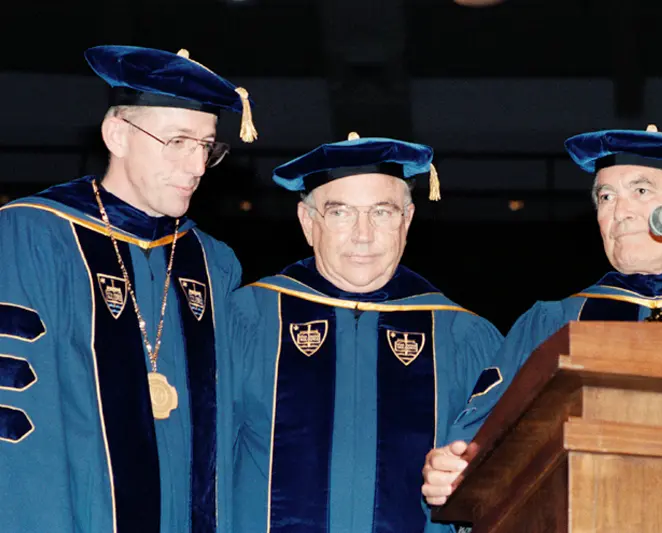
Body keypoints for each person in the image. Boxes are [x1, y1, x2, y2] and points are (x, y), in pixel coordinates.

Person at [420, 124, 662, 519]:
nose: (620, 211)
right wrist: (451, 467)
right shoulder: (554, 323)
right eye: (605, 196)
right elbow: (476, 444)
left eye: (641, 191)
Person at [0, 45, 257, 533]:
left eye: (206, 146)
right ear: (117, 134)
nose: (197, 167)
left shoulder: (212, 261)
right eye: (178, 141)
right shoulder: (32, 236)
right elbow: (14, 420)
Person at [226, 133, 504, 533]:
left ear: (406, 220)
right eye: (340, 213)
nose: (363, 235)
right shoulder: (248, 318)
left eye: (382, 212)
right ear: (308, 222)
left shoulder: (465, 337)